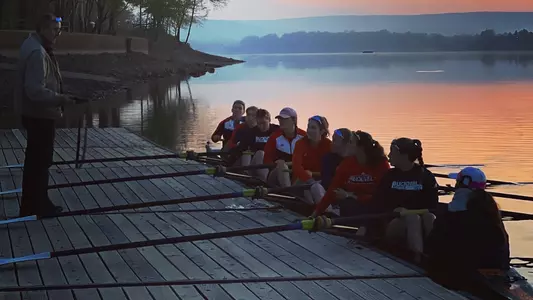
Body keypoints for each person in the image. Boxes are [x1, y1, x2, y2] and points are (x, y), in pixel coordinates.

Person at [15, 14, 75, 217]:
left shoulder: (35, 46)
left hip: (38, 114)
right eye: (52, 28)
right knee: (39, 163)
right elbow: (34, 90)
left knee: (37, 162)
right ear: (41, 29)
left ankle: (37, 202)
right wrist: (60, 99)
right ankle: (35, 206)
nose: (56, 32)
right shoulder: (37, 52)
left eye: (58, 29)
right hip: (39, 115)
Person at [424, 167, 510, 292]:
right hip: (497, 265)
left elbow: (433, 243)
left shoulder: (455, 209)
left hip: (467, 270)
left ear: (461, 184)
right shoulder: (490, 207)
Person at [372, 138, 438, 259]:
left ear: (404, 155)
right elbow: (377, 204)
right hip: (392, 224)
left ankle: (436, 256)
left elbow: (433, 208)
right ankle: (418, 259)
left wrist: (409, 212)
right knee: (413, 218)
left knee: (430, 217)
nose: (389, 155)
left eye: (392, 152)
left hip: (419, 220)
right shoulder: (389, 176)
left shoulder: (425, 176)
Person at [310, 130, 390, 217]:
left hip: (373, 207)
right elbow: (332, 189)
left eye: (351, 142)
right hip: (353, 206)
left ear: (361, 147)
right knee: (347, 203)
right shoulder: (347, 163)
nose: (348, 145)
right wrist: (316, 213)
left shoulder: (381, 164)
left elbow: (382, 196)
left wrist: (352, 196)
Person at [291, 115, 332, 204]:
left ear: (322, 131)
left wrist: (313, 174)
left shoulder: (329, 145)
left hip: (321, 181)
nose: (309, 130)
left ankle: (320, 210)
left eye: (313, 128)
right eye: (308, 127)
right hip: (301, 182)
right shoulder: (300, 143)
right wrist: (310, 180)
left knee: (314, 190)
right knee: (310, 186)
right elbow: (297, 168)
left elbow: (331, 172)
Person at [261, 107, 306, 186]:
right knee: (281, 165)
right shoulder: (274, 137)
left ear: (294, 120)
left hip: (297, 176)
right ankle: (288, 191)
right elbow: (266, 161)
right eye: (279, 119)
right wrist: (277, 164)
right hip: (276, 176)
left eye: (284, 119)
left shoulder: (304, 136)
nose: (280, 121)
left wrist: (289, 164)